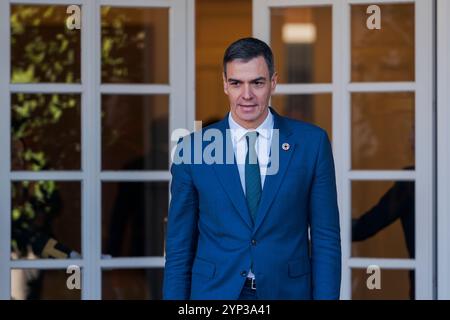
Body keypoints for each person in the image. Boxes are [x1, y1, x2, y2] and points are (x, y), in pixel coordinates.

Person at [163, 37, 341, 300]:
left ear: (273, 82)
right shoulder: (192, 150)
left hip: (288, 292)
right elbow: (179, 247)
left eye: (257, 83)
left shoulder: (312, 144)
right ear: (225, 84)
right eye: (236, 83)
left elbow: (326, 239)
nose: (246, 95)